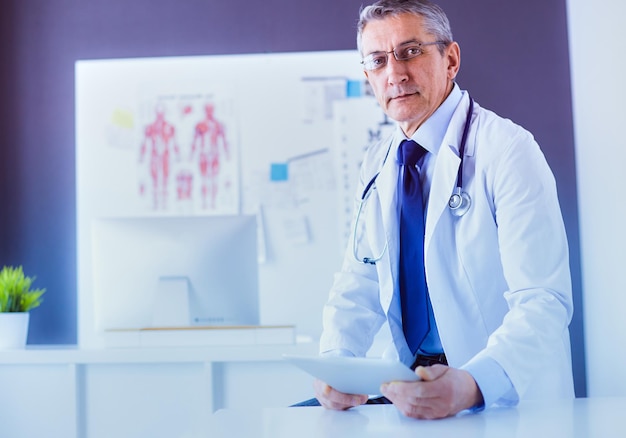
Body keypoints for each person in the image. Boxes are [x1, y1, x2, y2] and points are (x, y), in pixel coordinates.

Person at [303, 0, 575, 419]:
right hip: (412, 398)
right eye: (377, 61)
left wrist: (474, 383)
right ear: (367, 76)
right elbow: (359, 278)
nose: (394, 73)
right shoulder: (377, 162)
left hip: (504, 403)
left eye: (410, 51)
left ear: (450, 59)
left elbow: (544, 299)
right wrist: (336, 360)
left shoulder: (508, 151)